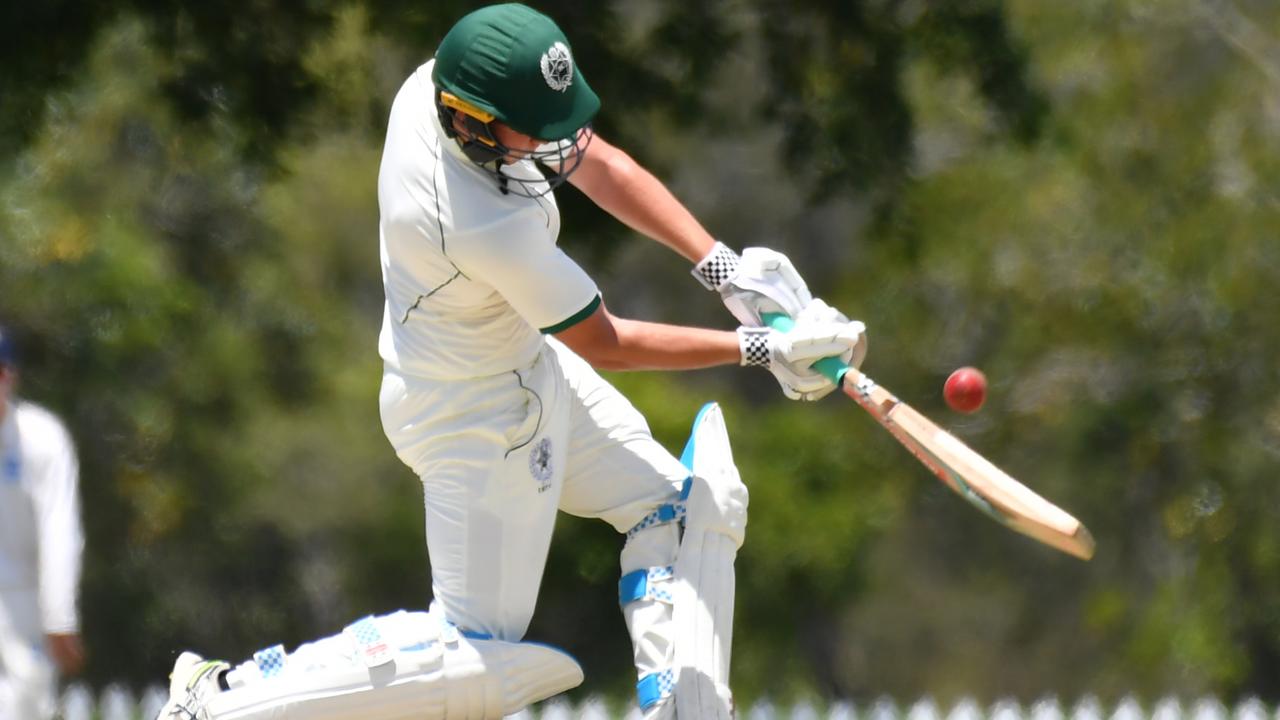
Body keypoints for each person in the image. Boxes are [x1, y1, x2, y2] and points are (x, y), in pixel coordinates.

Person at [158, 4, 866, 719]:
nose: (555, 141)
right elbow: (606, 341)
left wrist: (724, 271)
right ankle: (218, 700)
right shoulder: (473, 221)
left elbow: (600, 162)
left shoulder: (447, 86)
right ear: (471, 120)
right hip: (474, 420)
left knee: (682, 513)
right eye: (535, 127)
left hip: (526, 366)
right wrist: (761, 348)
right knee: (466, 657)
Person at [0, 325, 86, 719]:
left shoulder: (42, 438)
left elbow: (59, 531)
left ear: (10, 374)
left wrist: (59, 617)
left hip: (24, 604)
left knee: (24, 707)